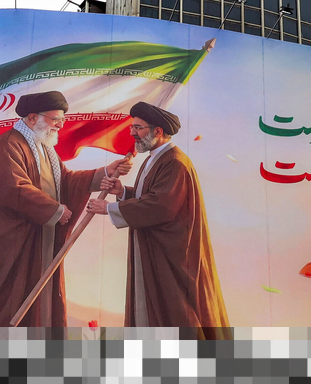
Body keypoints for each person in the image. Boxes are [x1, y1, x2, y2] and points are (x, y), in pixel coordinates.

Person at [0, 91, 131, 327]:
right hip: (10, 245)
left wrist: (104, 173)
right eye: (56, 119)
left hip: (38, 239)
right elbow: (13, 188)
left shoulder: (43, 147)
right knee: (5, 305)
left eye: (62, 120)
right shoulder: (8, 145)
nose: (60, 125)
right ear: (32, 118)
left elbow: (64, 181)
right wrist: (55, 210)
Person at [86, 102, 230, 334]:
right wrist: (122, 192)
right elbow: (150, 196)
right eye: (132, 127)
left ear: (158, 131)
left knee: (176, 310)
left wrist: (110, 208)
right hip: (155, 249)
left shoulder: (175, 162)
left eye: (138, 128)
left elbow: (161, 206)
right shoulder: (155, 158)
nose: (132, 133)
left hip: (171, 256)